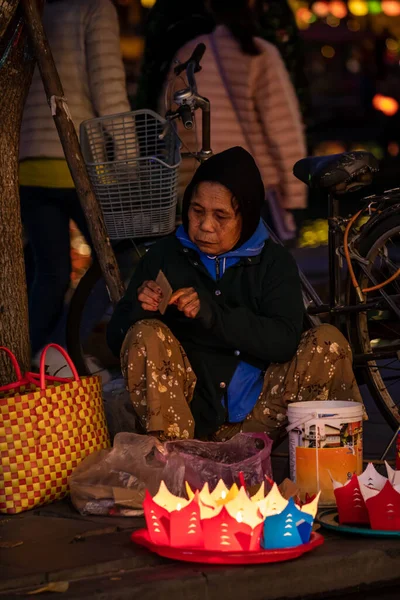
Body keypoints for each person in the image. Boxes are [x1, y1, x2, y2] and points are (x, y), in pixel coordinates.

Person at [107, 147, 363, 442]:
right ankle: (174, 465)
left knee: (326, 341)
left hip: (261, 415)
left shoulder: (273, 262)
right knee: (144, 332)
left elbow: (283, 342)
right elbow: (116, 340)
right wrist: (142, 309)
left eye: (221, 216)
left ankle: (328, 466)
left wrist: (212, 316)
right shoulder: (166, 255)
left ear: (247, 216)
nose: (205, 226)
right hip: (186, 423)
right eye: (197, 211)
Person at [19, 0, 131, 360]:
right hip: (74, 159)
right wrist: (129, 165)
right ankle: (59, 353)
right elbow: (109, 89)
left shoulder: (31, 9)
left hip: (27, 162)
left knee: (50, 273)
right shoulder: (95, 8)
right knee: (117, 260)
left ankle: (28, 363)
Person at [162, 0, 307, 241]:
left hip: (204, 193)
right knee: (265, 272)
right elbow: (283, 129)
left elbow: (176, 131)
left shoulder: (188, 53)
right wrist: (294, 194)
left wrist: (184, 192)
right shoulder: (259, 53)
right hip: (254, 189)